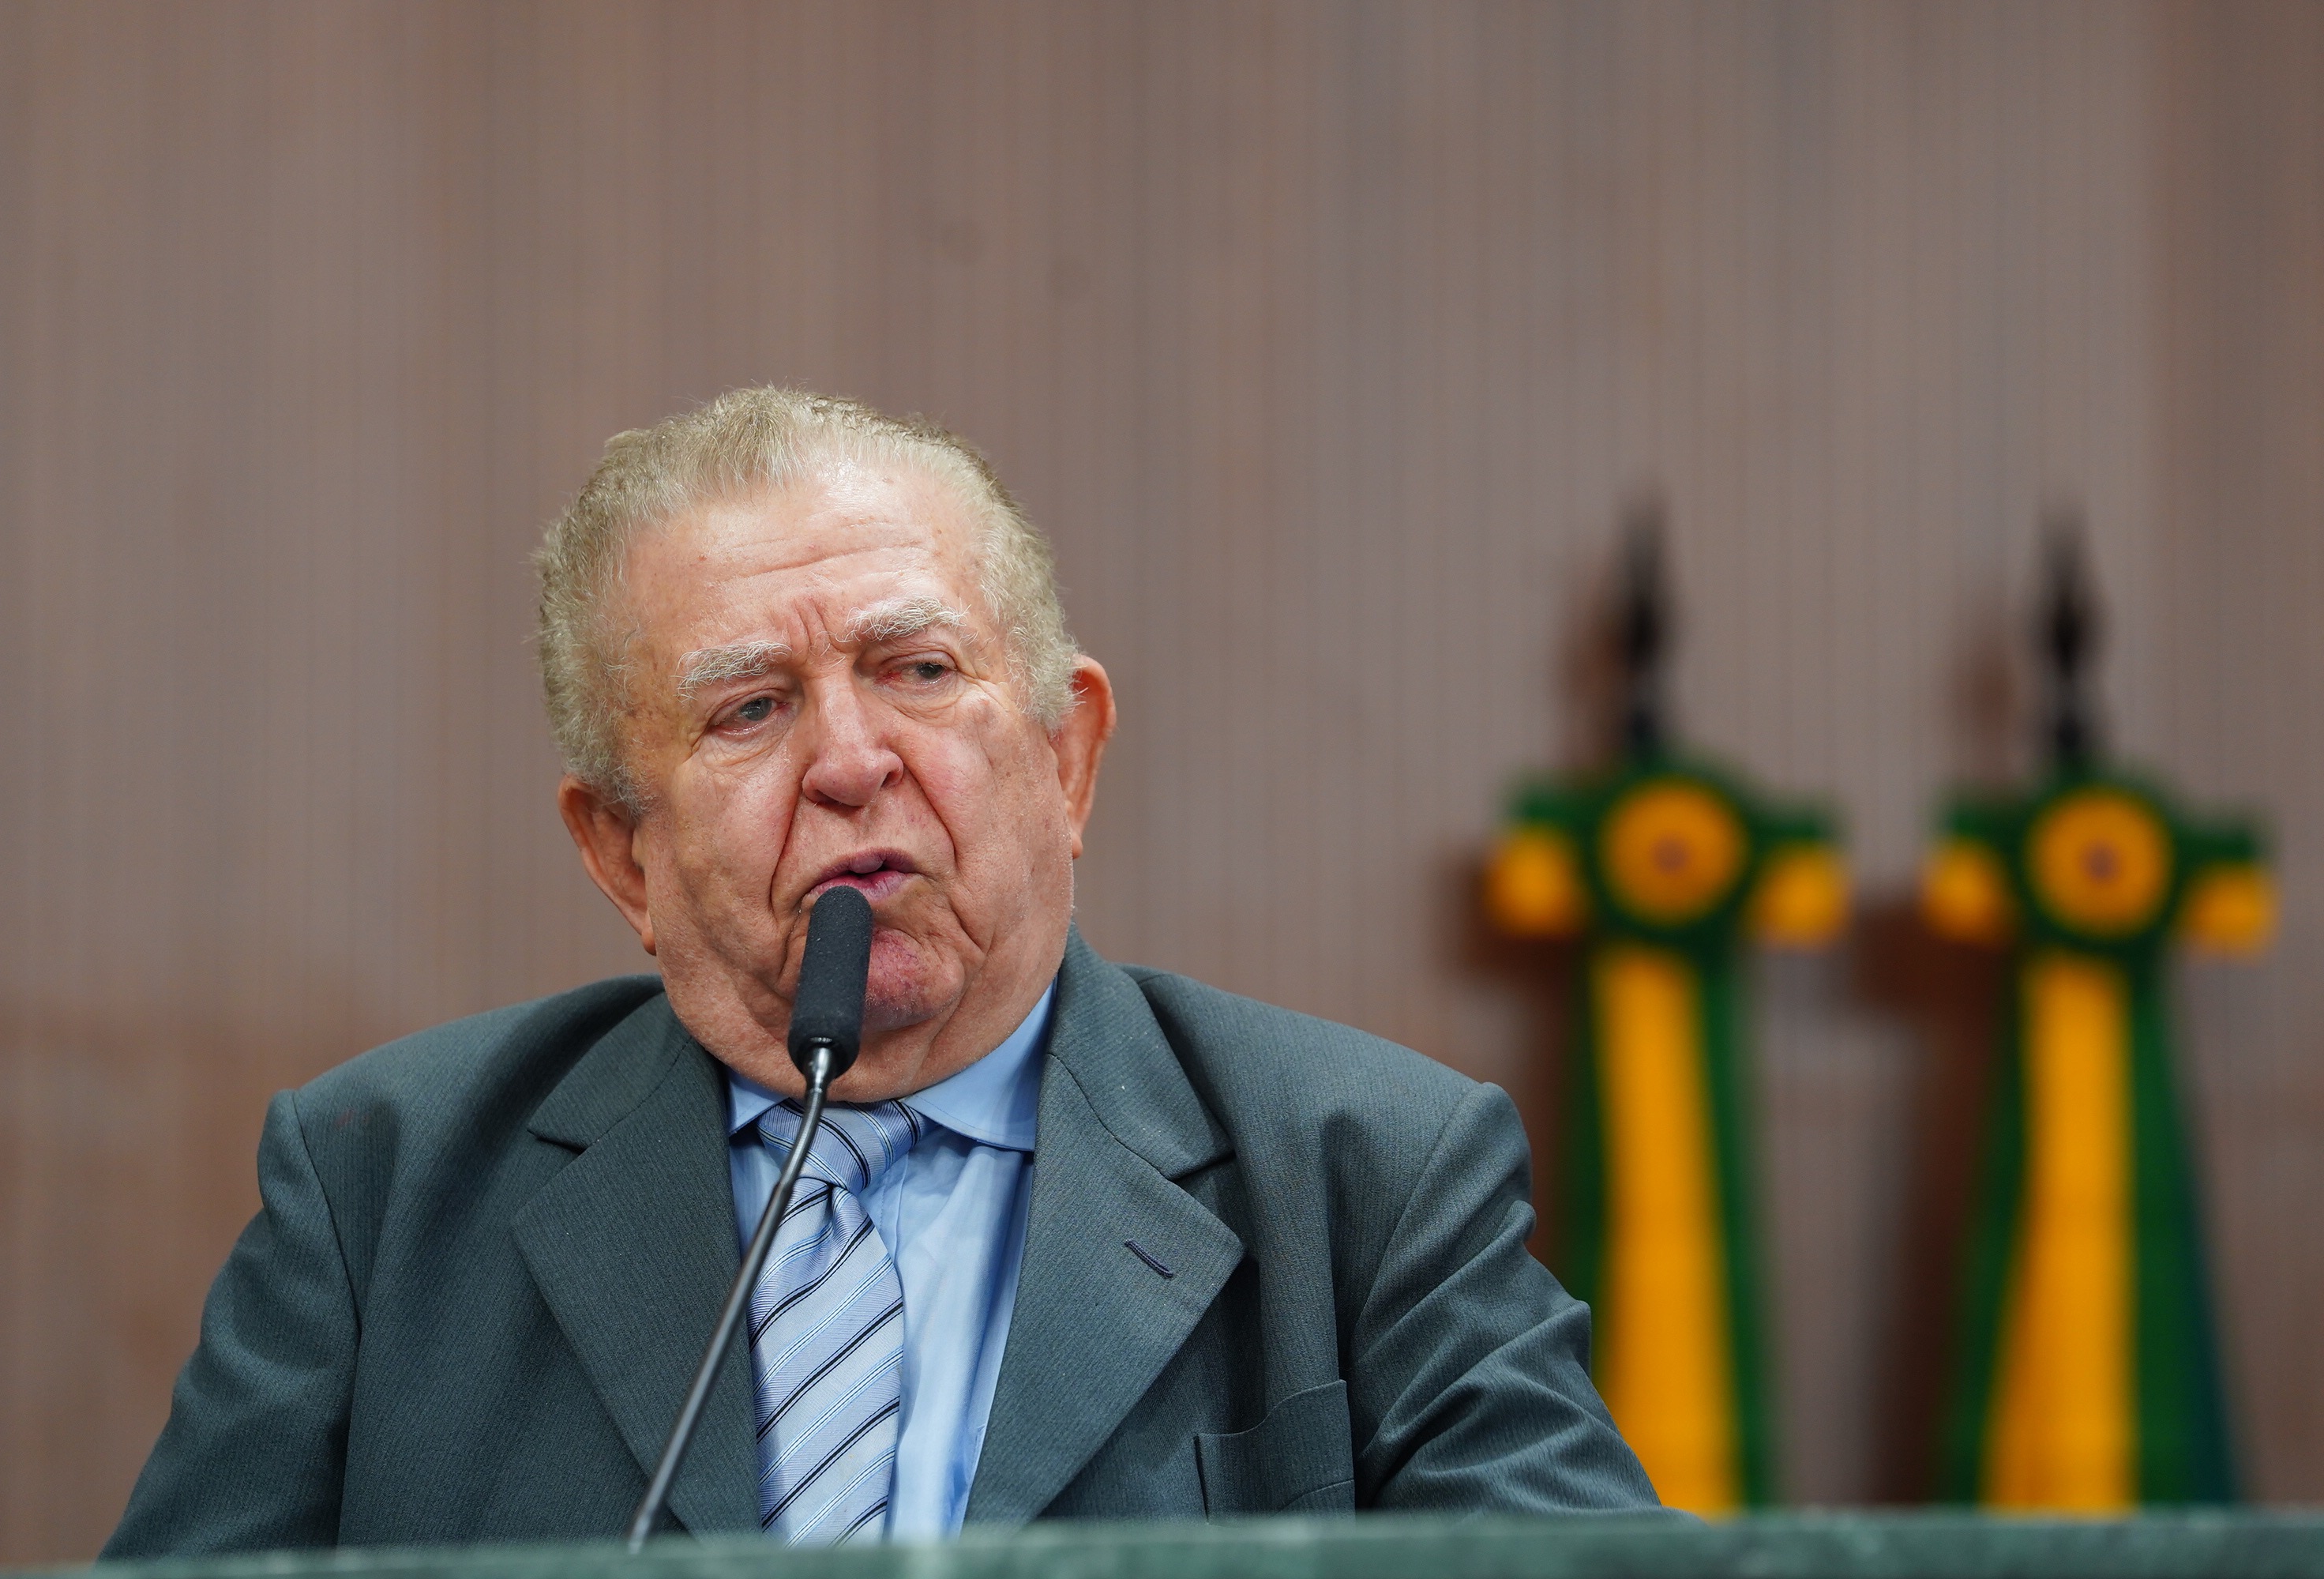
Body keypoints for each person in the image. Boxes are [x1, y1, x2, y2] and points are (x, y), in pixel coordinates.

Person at [104, 389, 1658, 1555]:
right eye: (749, 708)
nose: (853, 762)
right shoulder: (381, 1189)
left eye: (918, 670)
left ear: (1065, 758)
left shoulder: (1368, 1172)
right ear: (624, 855)